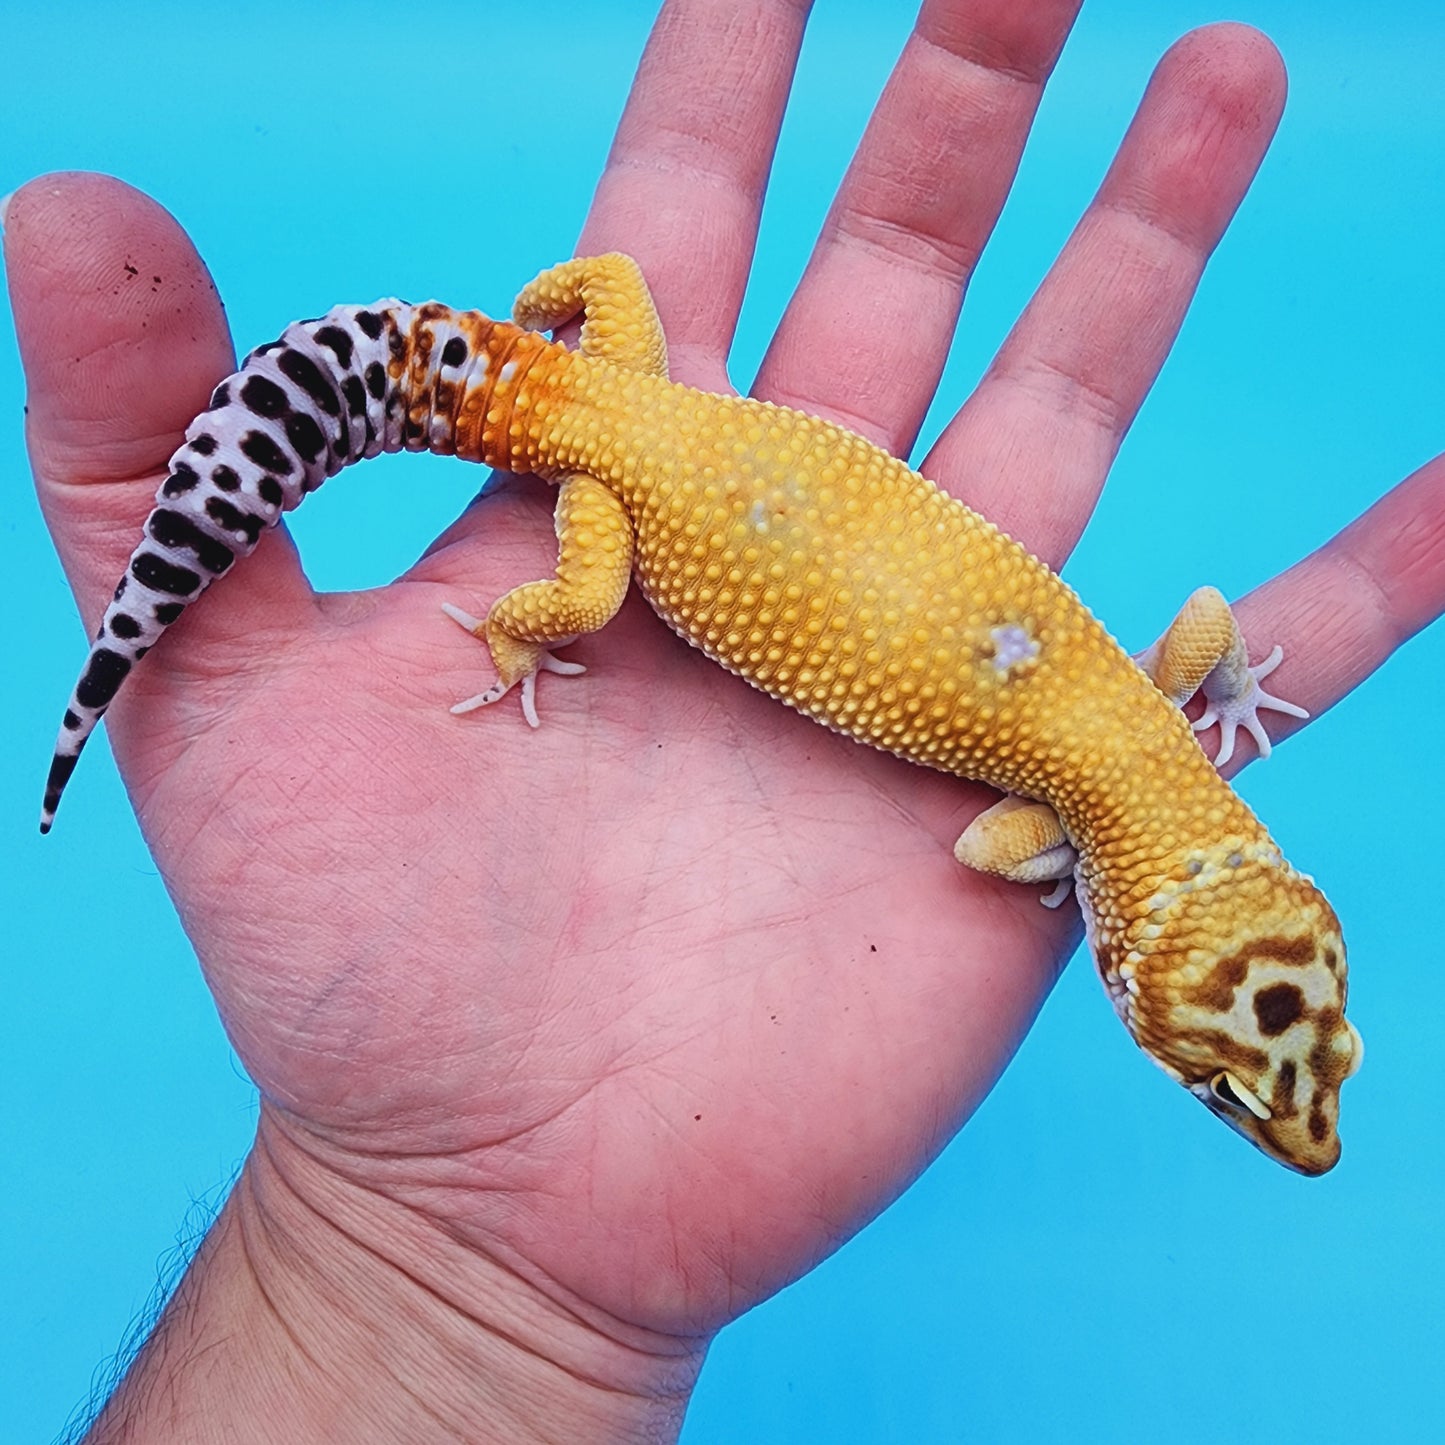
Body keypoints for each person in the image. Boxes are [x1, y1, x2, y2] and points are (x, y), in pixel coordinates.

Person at [7, 1, 1441, 1439]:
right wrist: (524, 635)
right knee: (565, 607)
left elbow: (1201, 622)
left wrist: (1222, 693)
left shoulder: (1165, 703)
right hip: (608, 487)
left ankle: (453, 388)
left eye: (1233, 1084)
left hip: (615, 390)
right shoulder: (1061, 814)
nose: (1263, 1112)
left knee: (591, 303)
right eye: (1222, 1086)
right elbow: (993, 853)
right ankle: (515, 623)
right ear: (1135, 973)